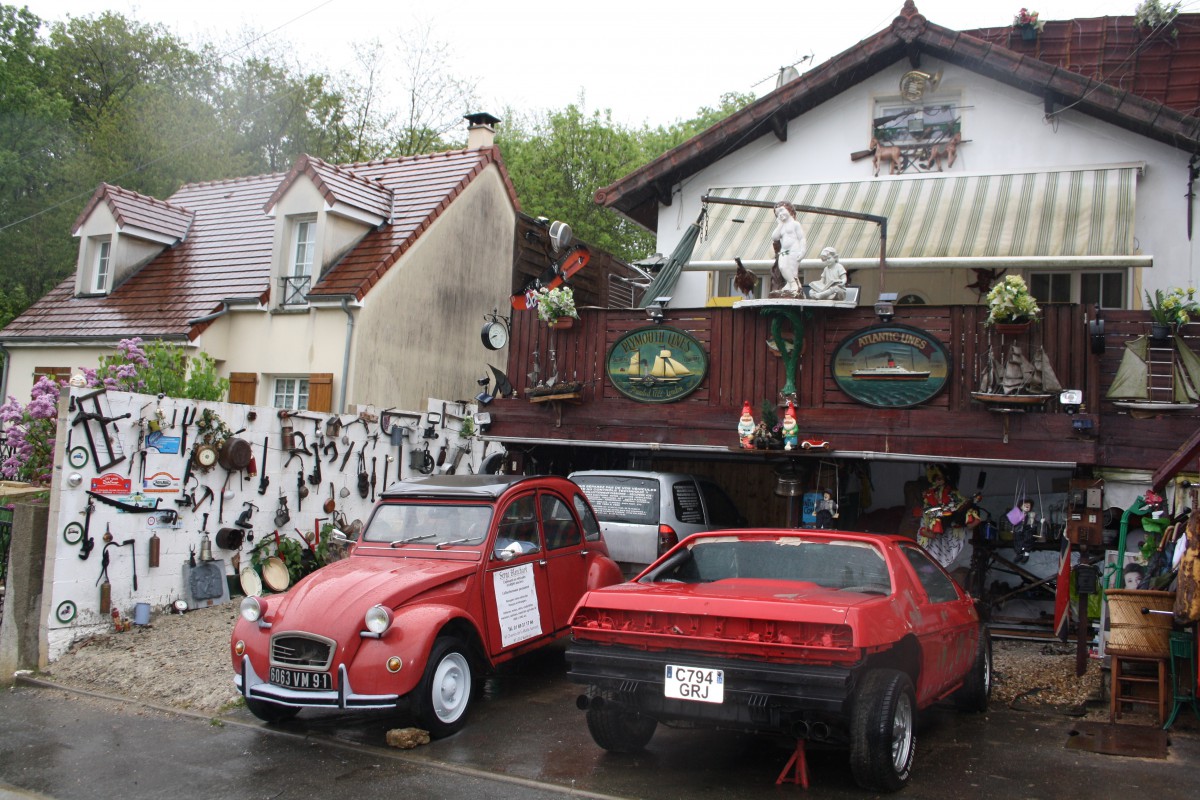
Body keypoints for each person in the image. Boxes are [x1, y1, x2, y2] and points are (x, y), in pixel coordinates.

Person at [771, 202, 807, 296]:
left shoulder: (795, 224)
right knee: (783, 267)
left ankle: (795, 285)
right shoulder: (781, 226)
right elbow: (775, 237)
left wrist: (803, 250)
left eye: (781, 210)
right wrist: (779, 224)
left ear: (789, 210)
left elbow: (802, 238)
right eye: (777, 213)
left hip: (794, 249)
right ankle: (790, 283)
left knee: (792, 269)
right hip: (784, 251)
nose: (780, 214)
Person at [1011, 498, 1037, 564]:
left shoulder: (1031, 515)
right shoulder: (1018, 514)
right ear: (1021, 506)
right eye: (1025, 505)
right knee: (1018, 540)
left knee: (1027, 538)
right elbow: (1013, 521)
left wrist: (1040, 522)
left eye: (1029, 505)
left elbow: (1033, 523)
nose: (1027, 506)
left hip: (1027, 530)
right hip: (1019, 530)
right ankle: (1020, 553)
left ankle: (1026, 554)